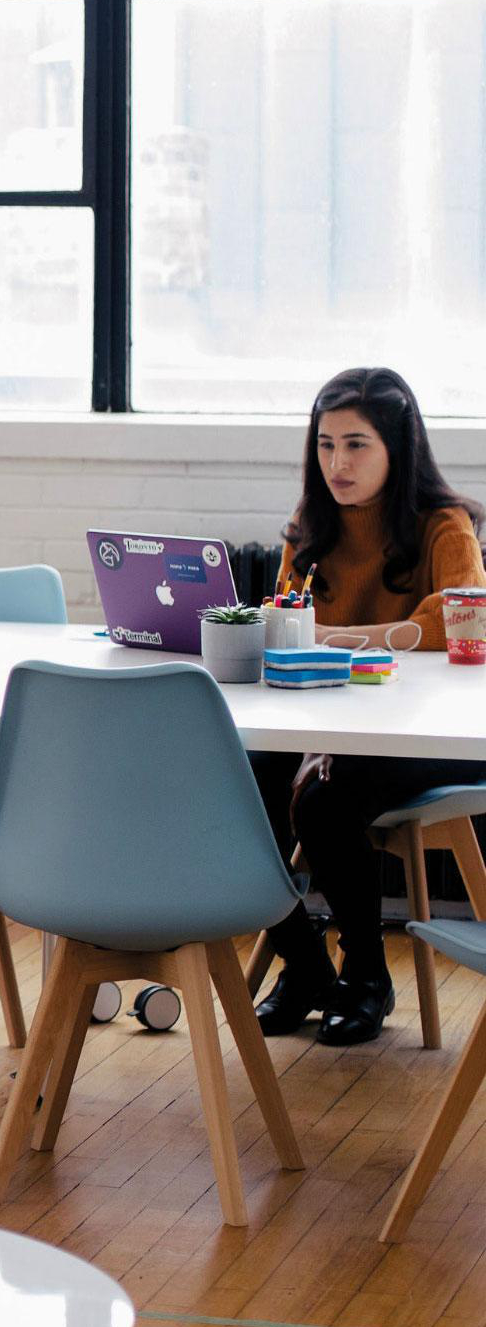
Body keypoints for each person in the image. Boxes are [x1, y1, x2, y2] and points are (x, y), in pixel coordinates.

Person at [252, 367, 486, 1046]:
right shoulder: (310, 528)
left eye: (356, 445)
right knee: (235, 784)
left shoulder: (443, 525)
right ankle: (302, 963)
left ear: (398, 447)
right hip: (322, 719)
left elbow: (461, 619)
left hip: (424, 731)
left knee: (324, 800)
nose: (338, 464)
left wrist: (340, 639)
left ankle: (365, 977)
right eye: (326, 445)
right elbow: (286, 619)